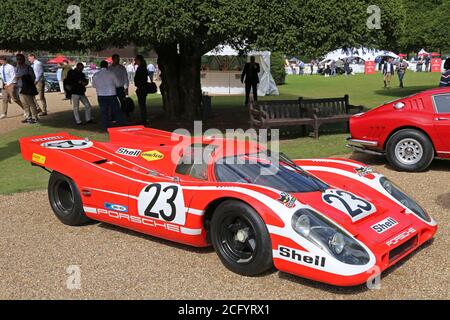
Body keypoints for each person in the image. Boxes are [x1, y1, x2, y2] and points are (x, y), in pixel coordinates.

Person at [92, 60, 126, 131]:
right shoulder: (111, 74)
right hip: (111, 94)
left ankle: (105, 127)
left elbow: (94, 85)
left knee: (104, 111)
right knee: (116, 110)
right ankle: (120, 125)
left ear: (100, 66)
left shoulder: (96, 75)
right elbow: (118, 84)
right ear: (107, 66)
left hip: (101, 94)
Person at [15, 53, 39, 124]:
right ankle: (28, 117)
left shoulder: (28, 68)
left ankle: (35, 117)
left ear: (23, 59)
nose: (18, 60)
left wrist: (23, 77)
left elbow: (33, 78)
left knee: (31, 103)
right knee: (24, 104)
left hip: (27, 88)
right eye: (17, 59)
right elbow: (16, 77)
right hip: (20, 88)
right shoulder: (17, 68)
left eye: (19, 59)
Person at [134, 55, 149, 125]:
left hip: (141, 88)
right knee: (142, 104)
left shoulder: (141, 68)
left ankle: (144, 120)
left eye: (136, 60)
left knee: (142, 105)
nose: (135, 61)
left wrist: (138, 84)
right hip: (142, 87)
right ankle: (144, 119)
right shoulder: (142, 68)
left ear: (138, 60)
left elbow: (141, 79)